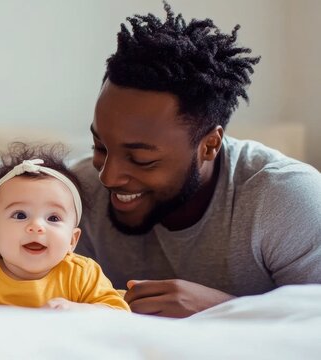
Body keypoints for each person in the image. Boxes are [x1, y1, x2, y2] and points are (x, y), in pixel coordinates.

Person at [73, 2, 321, 318]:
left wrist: (225, 310)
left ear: (209, 146)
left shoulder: (283, 199)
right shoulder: (77, 194)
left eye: (141, 159)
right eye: (100, 147)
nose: (108, 177)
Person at [0, 143, 130, 311]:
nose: (36, 226)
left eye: (53, 218)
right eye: (20, 215)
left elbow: (119, 313)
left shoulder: (82, 275)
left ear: (72, 240)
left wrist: (77, 310)